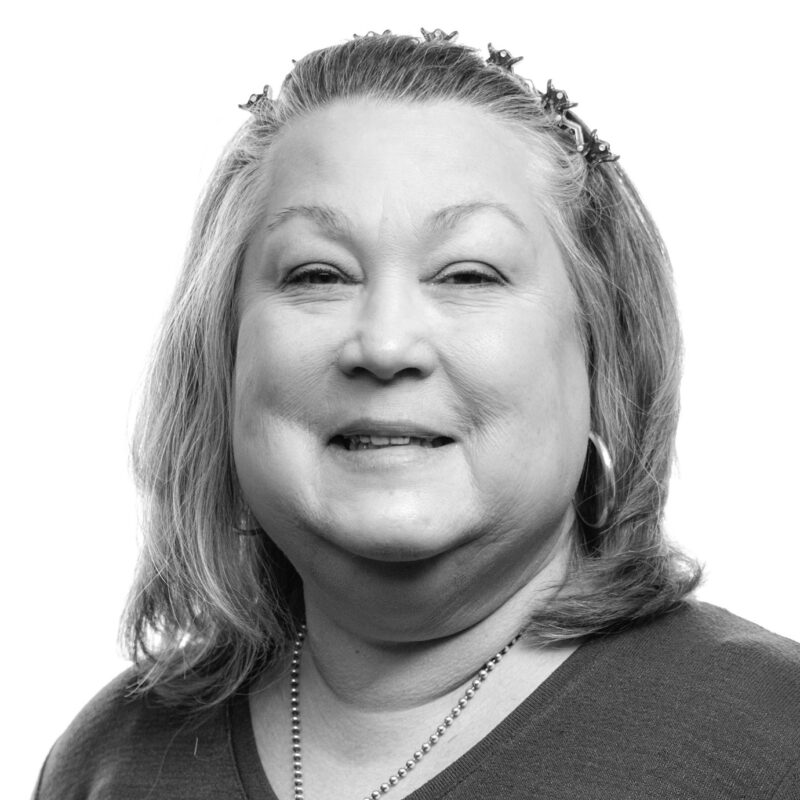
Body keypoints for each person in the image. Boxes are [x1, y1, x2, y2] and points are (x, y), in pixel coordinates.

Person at [33, 29, 800, 800]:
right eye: (318, 274)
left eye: (468, 274)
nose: (385, 343)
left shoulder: (774, 738)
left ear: (605, 352)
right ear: (223, 358)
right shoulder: (107, 763)